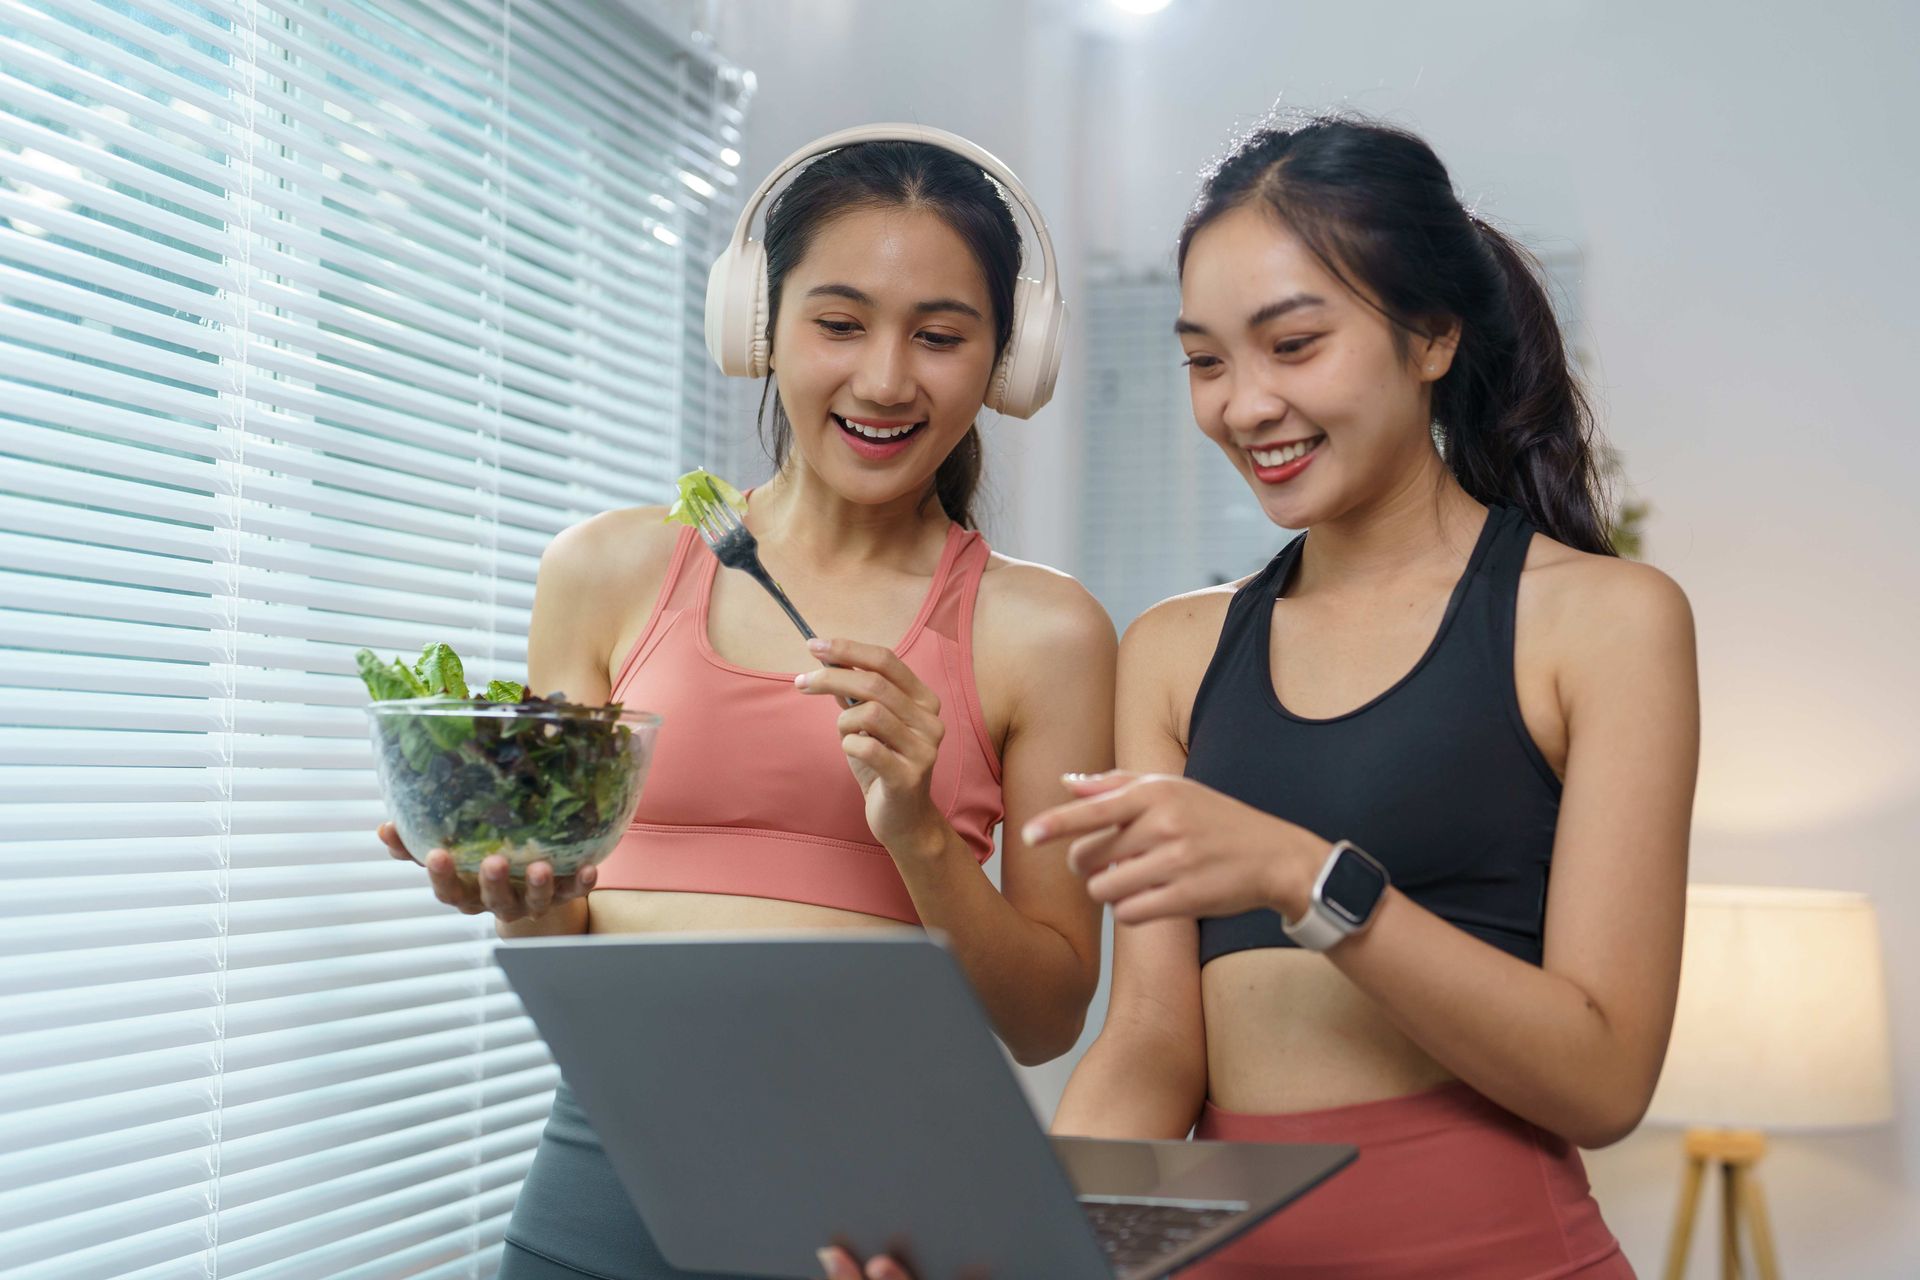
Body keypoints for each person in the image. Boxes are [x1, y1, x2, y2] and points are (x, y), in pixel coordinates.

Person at [825, 113, 1698, 1280]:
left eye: (1293, 344)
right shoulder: (1178, 651)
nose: (1243, 405)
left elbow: (1602, 1078)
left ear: (1433, 333)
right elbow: (1148, 1049)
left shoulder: (1605, 619)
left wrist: (1303, 876)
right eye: (1206, 358)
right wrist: (1013, 1244)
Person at [380, 126, 1114, 1280]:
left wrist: (917, 828)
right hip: (597, 1189)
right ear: (758, 330)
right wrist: (518, 896)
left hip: (880, 1222)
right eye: (838, 322)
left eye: (939, 335)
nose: (884, 378)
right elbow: (563, 926)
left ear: (1007, 364)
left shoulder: (1047, 632)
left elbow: (1045, 1017)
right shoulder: (606, 569)